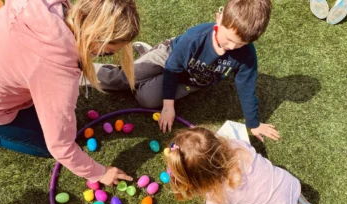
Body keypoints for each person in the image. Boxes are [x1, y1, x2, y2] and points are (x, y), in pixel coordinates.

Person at [0, 0, 140, 186]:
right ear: (96, 38)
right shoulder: (57, 71)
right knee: (44, 145)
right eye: (107, 53)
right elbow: (60, 147)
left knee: (62, 125)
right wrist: (99, 172)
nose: (104, 56)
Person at [92, 0, 279, 142]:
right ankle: (89, 69)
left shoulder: (246, 55)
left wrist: (253, 124)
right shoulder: (195, 38)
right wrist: (168, 106)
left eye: (240, 44)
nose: (231, 47)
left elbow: (246, 89)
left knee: (145, 99)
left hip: (189, 80)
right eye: (229, 39)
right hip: (168, 57)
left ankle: (145, 64)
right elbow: (173, 67)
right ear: (219, 18)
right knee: (124, 78)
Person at [165, 127, 318, 204]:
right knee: (272, 191)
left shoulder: (218, 196)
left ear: (199, 180)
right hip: (289, 185)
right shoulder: (236, 145)